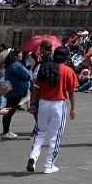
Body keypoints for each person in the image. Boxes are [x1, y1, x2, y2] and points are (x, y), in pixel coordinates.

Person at [27, 46, 79, 174]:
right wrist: (73, 108)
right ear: (66, 57)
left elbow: (35, 87)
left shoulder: (44, 67)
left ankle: (33, 156)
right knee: (55, 136)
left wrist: (33, 103)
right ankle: (49, 164)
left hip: (43, 103)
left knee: (40, 132)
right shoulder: (68, 70)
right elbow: (71, 92)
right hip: (58, 104)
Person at [1, 49, 31, 140]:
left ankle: (6, 131)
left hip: (13, 90)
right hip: (16, 91)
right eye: (20, 54)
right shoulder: (16, 65)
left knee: (9, 110)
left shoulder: (11, 65)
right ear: (15, 56)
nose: (21, 55)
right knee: (10, 111)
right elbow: (27, 75)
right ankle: (6, 132)